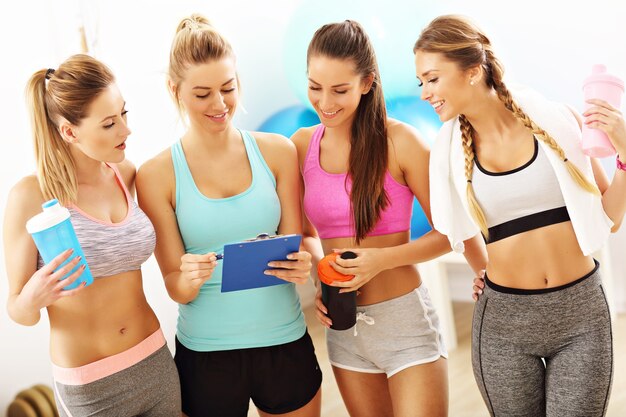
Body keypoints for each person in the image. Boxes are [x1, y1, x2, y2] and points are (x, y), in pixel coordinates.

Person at [414, 15, 626, 417]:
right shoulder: (448, 153)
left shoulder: (557, 120)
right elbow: (459, 230)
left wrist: (625, 156)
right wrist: (482, 270)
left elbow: (608, 218)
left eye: (433, 78)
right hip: (504, 325)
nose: (425, 92)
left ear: (473, 71)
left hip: (580, 314)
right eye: (420, 82)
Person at [291, 20, 487, 417]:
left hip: (405, 322)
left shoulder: (401, 141)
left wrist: (380, 260)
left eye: (340, 89)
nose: (325, 101)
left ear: (367, 83)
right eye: (315, 87)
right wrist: (319, 277)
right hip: (343, 330)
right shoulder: (300, 146)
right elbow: (305, 235)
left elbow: (450, 232)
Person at [136, 14, 322, 417]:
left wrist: (302, 264)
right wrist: (187, 278)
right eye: (202, 94)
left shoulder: (277, 152)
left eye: (228, 88)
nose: (220, 105)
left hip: (283, 343)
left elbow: (296, 244)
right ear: (175, 90)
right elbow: (174, 286)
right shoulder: (155, 175)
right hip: (207, 356)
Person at [3, 54, 181, 416]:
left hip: (153, 358)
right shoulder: (30, 196)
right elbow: (19, 311)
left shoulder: (126, 174)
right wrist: (33, 297)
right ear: (70, 131)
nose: (126, 130)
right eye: (109, 123)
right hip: (90, 384)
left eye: (124, 114)